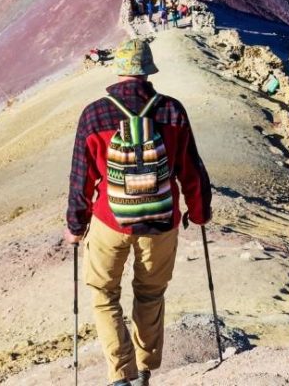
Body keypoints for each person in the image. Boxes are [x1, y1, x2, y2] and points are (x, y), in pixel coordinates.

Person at [65, 38, 211, 386]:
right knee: (150, 294)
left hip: (109, 222)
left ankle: (121, 376)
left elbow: (81, 177)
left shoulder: (94, 113)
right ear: (148, 72)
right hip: (161, 222)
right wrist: (200, 212)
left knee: (103, 295)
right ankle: (144, 369)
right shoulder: (172, 111)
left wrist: (75, 224)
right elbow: (190, 169)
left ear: (119, 70)